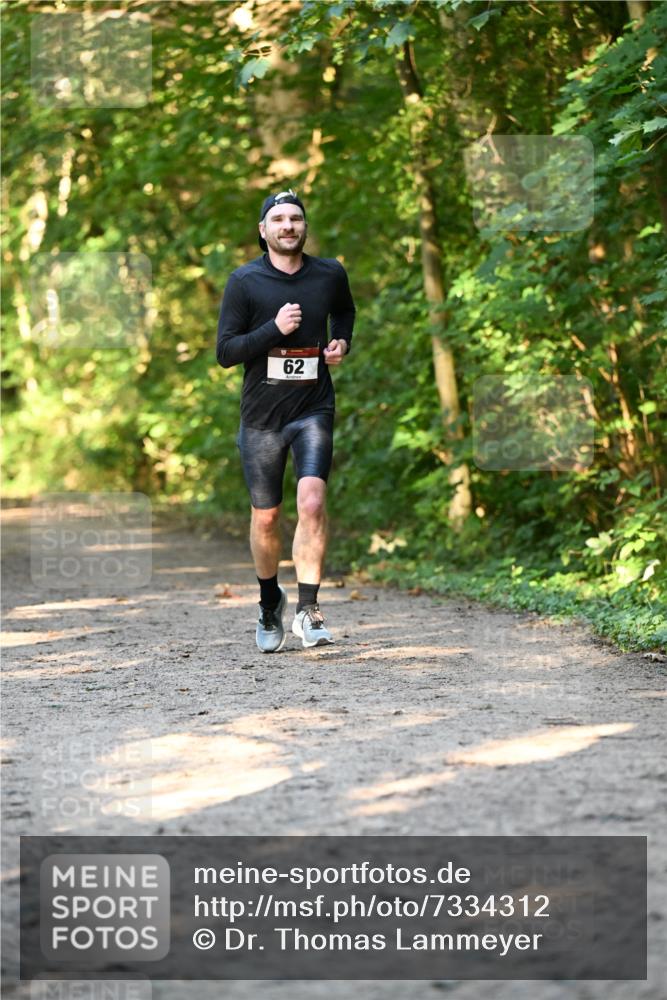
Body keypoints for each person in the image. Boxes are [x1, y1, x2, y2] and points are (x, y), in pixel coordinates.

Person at [216, 189, 355, 652]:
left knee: (312, 503)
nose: (288, 226)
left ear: (304, 227)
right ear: (263, 230)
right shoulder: (244, 282)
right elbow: (226, 352)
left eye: (295, 218)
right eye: (278, 219)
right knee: (266, 516)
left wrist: (341, 343)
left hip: (313, 407)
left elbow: (345, 311)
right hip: (261, 418)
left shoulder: (329, 273)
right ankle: (268, 600)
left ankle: (309, 609)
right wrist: (274, 329)